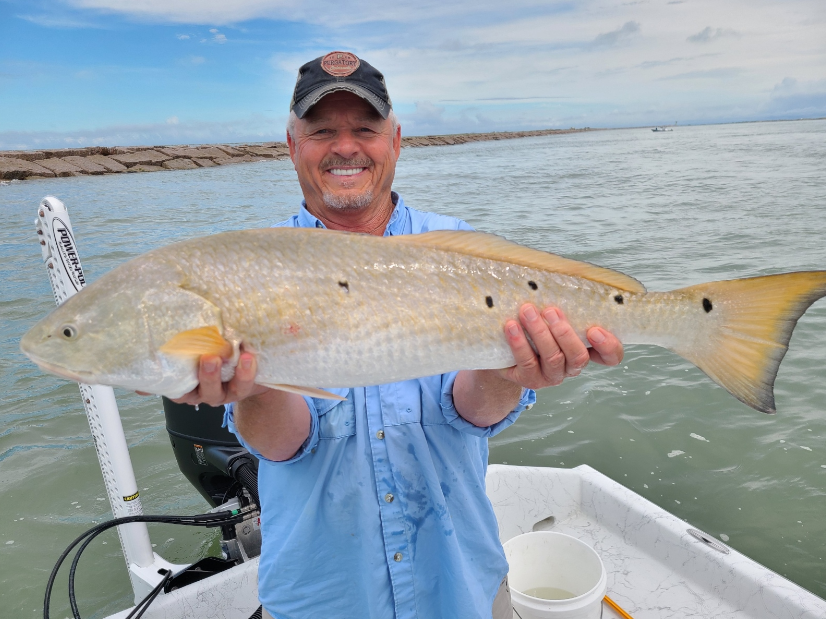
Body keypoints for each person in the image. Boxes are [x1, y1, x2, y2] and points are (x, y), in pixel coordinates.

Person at [175, 51, 623, 619]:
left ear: (396, 140)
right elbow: (283, 447)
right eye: (322, 131)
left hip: (459, 584)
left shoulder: (461, 249)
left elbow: (473, 414)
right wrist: (256, 385)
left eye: (365, 128)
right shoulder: (252, 269)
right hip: (322, 595)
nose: (345, 146)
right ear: (292, 144)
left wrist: (510, 372)